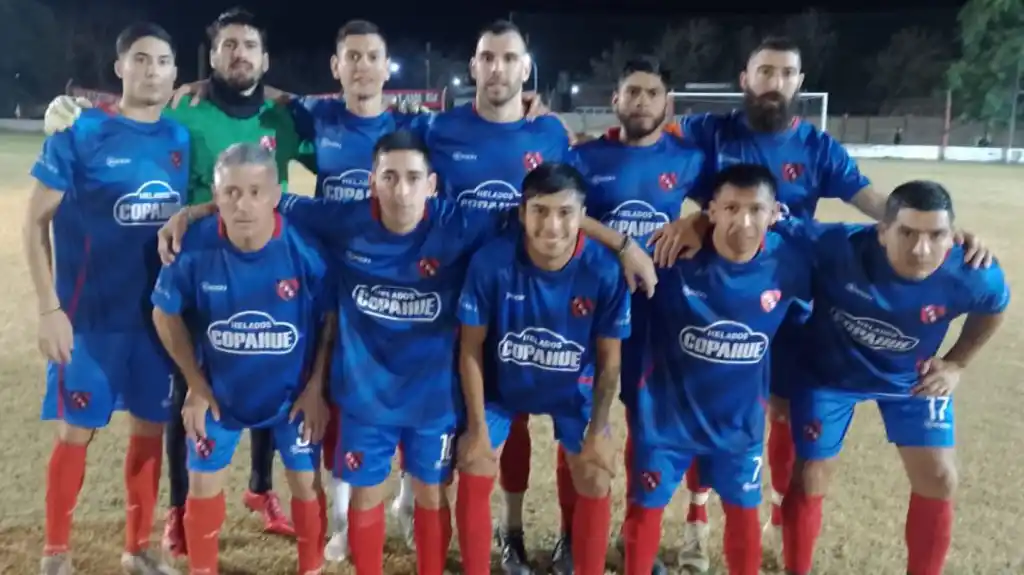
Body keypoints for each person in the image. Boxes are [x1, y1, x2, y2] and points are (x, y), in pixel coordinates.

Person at [154, 130, 657, 575]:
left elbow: (546, 212)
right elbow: (262, 200)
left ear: (432, 185)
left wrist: (621, 243)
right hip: (365, 394)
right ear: (372, 182)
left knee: (430, 495)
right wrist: (197, 211)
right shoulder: (341, 219)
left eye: (414, 177)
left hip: (434, 398)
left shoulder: (462, 222)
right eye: (389, 177)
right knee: (368, 495)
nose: (401, 189)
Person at [651, 35, 991, 567]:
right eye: (765, 71)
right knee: (711, 401)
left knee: (783, 415)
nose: (774, 82)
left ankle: (785, 519)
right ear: (745, 79)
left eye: (786, 73)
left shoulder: (816, 147)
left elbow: (870, 198)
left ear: (799, 85)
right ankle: (697, 517)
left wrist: (930, 230)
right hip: (719, 292)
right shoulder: (708, 131)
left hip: (790, 297)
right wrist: (695, 217)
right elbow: (648, 139)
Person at [40, 8, 305, 552]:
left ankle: (245, 496)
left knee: (254, 371)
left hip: (230, 272)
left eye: (248, 46)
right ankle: (142, 523)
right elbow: (45, 207)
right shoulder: (172, 117)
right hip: (141, 291)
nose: (239, 54)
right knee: (152, 405)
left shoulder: (253, 122)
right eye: (228, 45)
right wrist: (65, 112)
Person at [514, 56, 705, 574]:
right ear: (615, 100)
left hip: (657, 317)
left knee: (646, 432)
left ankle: (629, 539)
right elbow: (566, 212)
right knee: (576, 427)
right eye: (631, 92)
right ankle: (571, 540)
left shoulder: (689, 159)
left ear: (667, 104)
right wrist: (623, 246)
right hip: (586, 310)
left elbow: (728, 205)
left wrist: (700, 220)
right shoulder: (586, 156)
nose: (640, 101)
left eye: (651, 92)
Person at [780, 181, 1009, 575]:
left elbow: (994, 307)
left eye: (936, 235)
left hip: (911, 379)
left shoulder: (972, 272)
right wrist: (696, 224)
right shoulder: (837, 245)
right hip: (829, 376)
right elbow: (773, 223)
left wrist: (956, 363)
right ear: (882, 230)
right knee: (810, 474)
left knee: (940, 477)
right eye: (907, 233)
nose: (922, 250)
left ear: (952, 236)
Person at [24, 22, 185, 575]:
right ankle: (55, 552)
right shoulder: (80, 132)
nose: (151, 70)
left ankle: (138, 548)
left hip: (156, 324)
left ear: (174, 75)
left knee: (150, 430)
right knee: (77, 432)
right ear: (120, 68)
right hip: (90, 321)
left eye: (163, 61)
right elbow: (34, 222)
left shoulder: (179, 140)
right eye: (140, 59)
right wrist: (49, 310)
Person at [150, 143, 333, 575]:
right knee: (201, 484)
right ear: (216, 196)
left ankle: (312, 567)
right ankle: (203, 569)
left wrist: (316, 387)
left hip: (292, 399)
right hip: (220, 395)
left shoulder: (304, 248)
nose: (243, 204)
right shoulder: (193, 246)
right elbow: (164, 312)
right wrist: (195, 384)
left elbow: (332, 317)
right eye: (231, 192)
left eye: (255, 191)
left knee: (307, 485)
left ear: (275, 194)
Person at [623, 164, 813, 575]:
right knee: (644, 516)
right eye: (730, 208)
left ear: (774, 213)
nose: (743, 221)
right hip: (664, 424)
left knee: (744, 517)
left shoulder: (791, 265)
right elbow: (617, 277)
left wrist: (784, 392)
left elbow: (800, 330)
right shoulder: (670, 256)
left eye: (755, 209)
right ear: (710, 210)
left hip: (738, 428)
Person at [454, 162, 631, 575]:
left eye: (565, 213)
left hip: (572, 391)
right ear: (522, 214)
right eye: (540, 211)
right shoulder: (491, 263)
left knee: (594, 472)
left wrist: (600, 431)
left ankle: (579, 557)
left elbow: (609, 362)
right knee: (476, 463)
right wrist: (478, 429)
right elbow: (470, 349)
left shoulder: (603, 271)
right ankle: (492, 552)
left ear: (581, 216)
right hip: (504, 387)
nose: (552, 226)